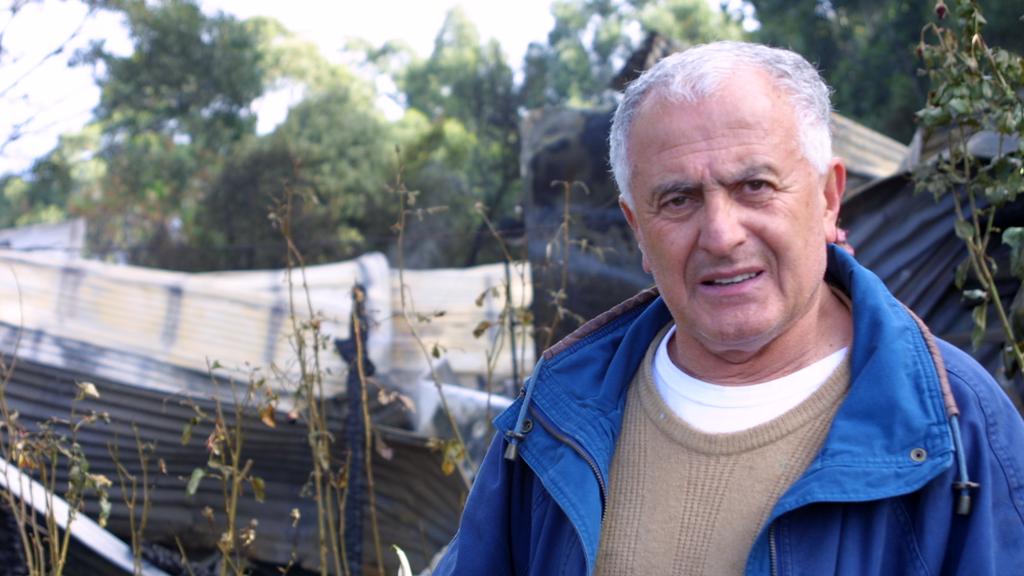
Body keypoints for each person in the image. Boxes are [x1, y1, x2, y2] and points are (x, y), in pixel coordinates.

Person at [435, 41, 1024, 575]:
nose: (721, 235)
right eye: (679, 199)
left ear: (827, 198)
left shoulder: (960, 427)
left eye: (755, 187)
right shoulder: (553, 416)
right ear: (637, 229)